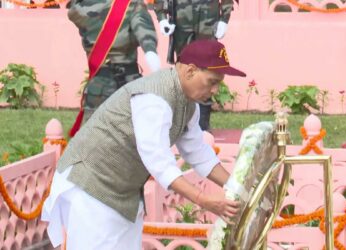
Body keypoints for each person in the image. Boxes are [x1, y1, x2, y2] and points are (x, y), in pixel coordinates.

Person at [41, 39, 246, 249]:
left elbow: (199, 153)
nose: (214, 90)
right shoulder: (154, 99)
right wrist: (203, 200)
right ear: (191, 71)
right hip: (90, 186)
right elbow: (159, 163)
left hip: (122, 195)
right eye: (212, 81)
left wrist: (240, 189)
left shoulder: (188, 105)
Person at [68, 0, 161, 122]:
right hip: (128, 83)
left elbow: (72, 9)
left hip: (97, 88)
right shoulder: (130, 5)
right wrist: (150, 51)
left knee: (93, 135)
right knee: (131, 134)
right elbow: (145, 32)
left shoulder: (80, 8)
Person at [153, 0, 234, 131]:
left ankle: (202, 124)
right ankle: (181, 123)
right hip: (181, 18)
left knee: (207, 69)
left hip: (208, 18)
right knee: (183, 69)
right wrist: (162, 17)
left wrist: (225, 18)